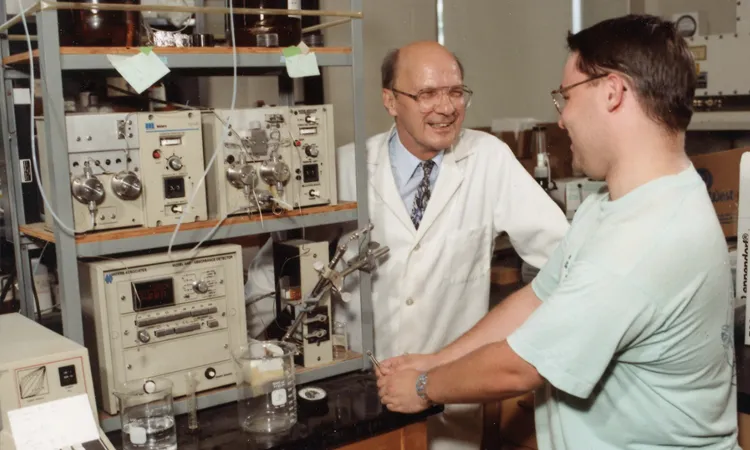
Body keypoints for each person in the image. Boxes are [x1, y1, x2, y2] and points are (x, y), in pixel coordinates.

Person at [376, 14, 740, 450]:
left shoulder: (646, 238)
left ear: (612, 93)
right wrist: (434, 359)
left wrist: (423, 387)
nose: (562, 119)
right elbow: (537, 298)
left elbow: (521, 367)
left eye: (565, 97)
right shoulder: (612, 206)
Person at [244, 40, 569, 450]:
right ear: (390, 101)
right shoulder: (346, 166)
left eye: (455, 92)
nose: (447, 107)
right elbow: (270, 274)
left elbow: (564, 258)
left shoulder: (489, 159)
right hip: (357, 392)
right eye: (427, 94)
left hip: (450, 395)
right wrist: (263, 362)